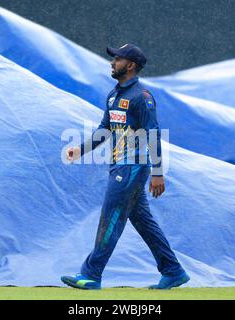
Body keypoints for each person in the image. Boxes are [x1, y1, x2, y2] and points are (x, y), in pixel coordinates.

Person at [61, 44, 189, 290]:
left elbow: (153, 133)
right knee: (143, 222)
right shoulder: (113, 95)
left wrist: (157, 172)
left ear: (130, 65)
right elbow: (104, 129)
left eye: (117, 59)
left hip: (132, 168)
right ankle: (173, 271)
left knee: (111, 218)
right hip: (119, 166)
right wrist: (80, 149)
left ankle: (91, 274)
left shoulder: (142, 97)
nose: (112, 62)